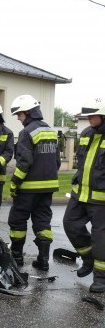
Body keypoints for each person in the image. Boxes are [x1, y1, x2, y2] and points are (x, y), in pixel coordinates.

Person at [8, 94, 60, 270]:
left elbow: (24, 162)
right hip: (48, 189)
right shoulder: (51, 131)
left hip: (27, 189)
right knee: (43, 223)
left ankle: (16, 258)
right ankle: (43, 260)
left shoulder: (26, 132)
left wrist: (15, 182)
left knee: (17, 221)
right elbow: (57, 162)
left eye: (20, 114)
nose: (18, 118)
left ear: (29, 113)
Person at [63, 97, 105, 292]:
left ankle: (101, 278)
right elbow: (82, 162)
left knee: (100, 239)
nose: (89, 118)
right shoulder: (87, 133)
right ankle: (88, 258)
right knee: (70, 223)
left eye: (93, 114)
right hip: (80, 195)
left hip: (101, 200)